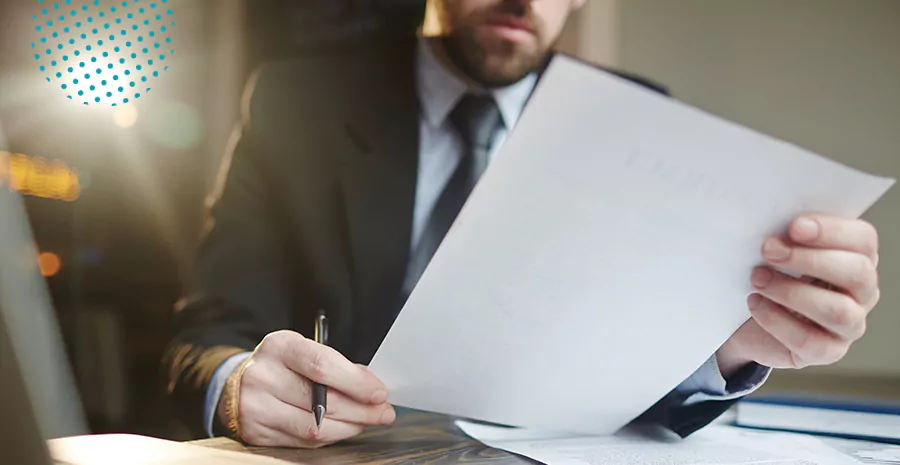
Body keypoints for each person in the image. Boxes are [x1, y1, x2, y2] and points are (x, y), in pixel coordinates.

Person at [165, 0, 882, 448]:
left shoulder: (636, 119)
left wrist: (729, 346)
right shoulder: (296, 100)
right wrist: (235, 385)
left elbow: (630, 367)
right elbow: (208, 331)